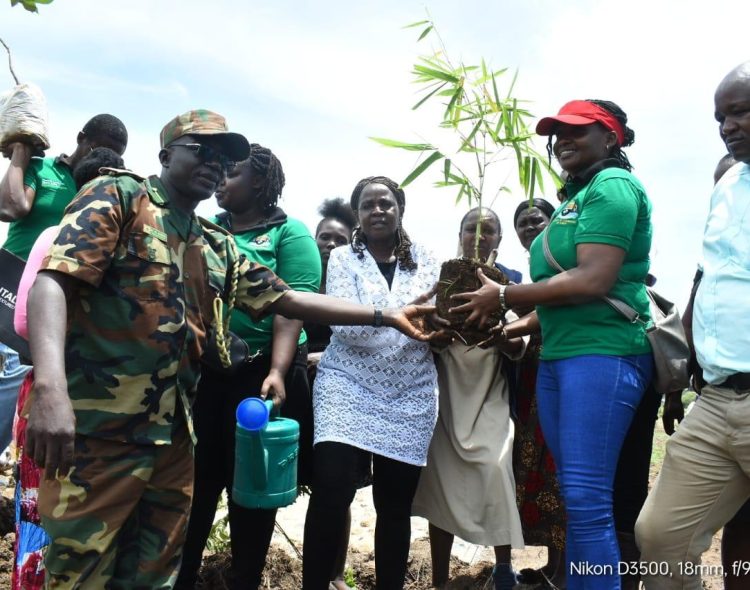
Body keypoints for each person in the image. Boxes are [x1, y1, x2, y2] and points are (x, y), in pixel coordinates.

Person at [22, 112, 434, 589]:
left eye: (224, 158)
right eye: (202, 150)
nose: (215, 164)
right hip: (101, 430)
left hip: (174, 436)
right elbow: (53, 283)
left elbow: (288, 299)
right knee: (82, 570)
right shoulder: (120, 196)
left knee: (153, 572)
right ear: (165, 155)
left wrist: (387, 315)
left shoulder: (214, 243)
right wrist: (50, 389)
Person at [451, 99, 654, 590]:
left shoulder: (614, 186)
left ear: (611, 137)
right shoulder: (570, 199)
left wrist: (503, 294)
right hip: (562, 358)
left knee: (587, 499)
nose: (563, 140)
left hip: (603, 354)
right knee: (575, 498)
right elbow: (562, 297)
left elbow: (594, 279)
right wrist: (515, 326)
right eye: (557, 133)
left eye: (577, 131)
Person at [175, 143, 321, 589]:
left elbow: (288, 307)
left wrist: (277, 370)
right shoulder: (201, 228)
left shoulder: (288, 234)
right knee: (193, 491)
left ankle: (244, 580)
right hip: (202, 378)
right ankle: (181, 579)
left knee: (252, 497)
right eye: (216, 169)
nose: (220, 177)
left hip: (262, 383)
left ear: (259, 181)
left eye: (231, 171)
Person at [636, 63, 750, 587]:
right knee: (661, 536)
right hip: (719, 398)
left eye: (741, 111)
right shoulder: (728, 182)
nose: (729, 126)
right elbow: (708, 277)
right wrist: (682, 374)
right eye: (720, 118)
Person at [302, 176, 440, 590]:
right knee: (331, 492)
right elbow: (347, 329)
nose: (377, 210)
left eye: (386, 203)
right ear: (358, 214)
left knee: (394, 506)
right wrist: (408, 315)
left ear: (400, 209)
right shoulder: (343, 259)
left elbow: (437, 324)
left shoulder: (430, 259)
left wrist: (390, 316)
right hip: (346, 384)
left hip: (412, 390)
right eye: (368, 205)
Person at [10, 146, 126, 590]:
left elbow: (23, 323)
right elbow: (25, 319)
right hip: (61, 395)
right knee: (55, 509)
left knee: (51, 509)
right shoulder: (64, 237)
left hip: (59, 389)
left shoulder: (57, 236)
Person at [411, 206, 526, 590]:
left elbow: (519, 347)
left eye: (489, 230)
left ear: (499, 238)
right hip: (445, 396)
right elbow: (421, 332)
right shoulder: (439, 279)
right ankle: (440, 582)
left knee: (496, 472)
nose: (479, 236)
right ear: (459, 234)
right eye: (471, 229)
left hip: (490, 393)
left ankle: (504, 569)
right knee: (441, 488)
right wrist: (435, 328)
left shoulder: (511, 282)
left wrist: (501, 331)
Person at [0, 114, 128, 455]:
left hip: (53, 311)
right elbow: (11, 206)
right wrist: (18, 155)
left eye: (116, 152)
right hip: (10, 288)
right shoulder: (42, 170)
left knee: (15, 402)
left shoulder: (102, 187)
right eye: (100, 147)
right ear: (81, 137)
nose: (103, 156)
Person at [303, 197, 365, 590]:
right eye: (323, 237)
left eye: (338, 239)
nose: (329, 244)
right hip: (301, 390)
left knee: (338, 490)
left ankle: (336, 573)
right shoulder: (302, 281)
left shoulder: (356, 283)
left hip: (343, 393)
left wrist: (324, 355)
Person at [511, 197, 567, 590]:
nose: (529, 227)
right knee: (537, 469)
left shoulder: (562, 265)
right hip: (533, 377)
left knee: (562, 468)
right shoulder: (527, 274)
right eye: (523, 223)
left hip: (561, 370)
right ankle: (552, 564)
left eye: (537, 220)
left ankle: (567, 570)